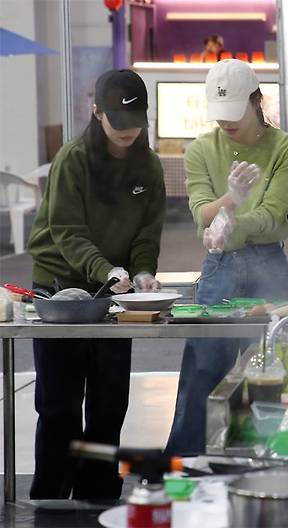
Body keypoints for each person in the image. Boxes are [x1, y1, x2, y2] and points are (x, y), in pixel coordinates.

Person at [27, 69, 166, 499]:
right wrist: (104, 268)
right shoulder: (74, 159)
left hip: (114, 292)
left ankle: (98, 494)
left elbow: (146, 233)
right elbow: (66, 230)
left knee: (109, 403)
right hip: (61, 289)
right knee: (59, 406)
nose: (128, 133)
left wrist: (142, 272)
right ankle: (50, 497)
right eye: (118, 124)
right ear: (96, 113)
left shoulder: (149, 164)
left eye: (136, 123)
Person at [165, 59, 288, 454]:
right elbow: (200, 213)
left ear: (257, 100)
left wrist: (231, 223)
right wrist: (230, 202)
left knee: (270, 372)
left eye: (235, 113)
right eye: (220, 115)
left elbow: (274, 212)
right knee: (203, 371)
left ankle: (265, 463)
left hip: (268, 266)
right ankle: (185, 465)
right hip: (219, 267)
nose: (226, 124)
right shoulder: (201, 149)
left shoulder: (285, 148)